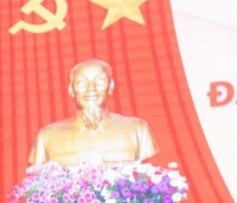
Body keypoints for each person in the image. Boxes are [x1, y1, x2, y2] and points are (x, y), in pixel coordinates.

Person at [28, 58, 158, 166]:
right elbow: (36, 182)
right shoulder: (47, 136)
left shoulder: (138, 130)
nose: (91, 88)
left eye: (100, 81)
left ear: (111, 86)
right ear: (71, 89)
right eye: (82, 82)